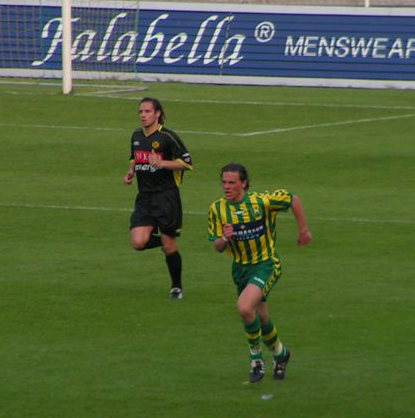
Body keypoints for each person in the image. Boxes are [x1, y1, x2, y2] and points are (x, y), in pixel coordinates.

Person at [207, 163, 312, 382]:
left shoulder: (261, 202)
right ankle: (281, 354)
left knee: (245, 307)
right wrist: (225, 238)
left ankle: (256, 359)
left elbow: (293, 199)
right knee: (260, 317)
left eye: (232, 183)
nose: (227, 187)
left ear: (244, 183)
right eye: (224, 182)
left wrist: (303, 230)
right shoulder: (217, 209)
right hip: (240, 269)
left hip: (266, 264)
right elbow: (217, 247)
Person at [124, 97, 193, 299]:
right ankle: (164, 241)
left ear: (158, 114)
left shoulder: (168, 137)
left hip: (166, 196)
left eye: (147, 111)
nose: (143, 115)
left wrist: (162, 163)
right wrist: (131, 171)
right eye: (141, 112)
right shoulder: (136, 136)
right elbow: (134, 157)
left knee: (170, 244)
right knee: (138, 242)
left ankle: (176, 287)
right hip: (145, 197)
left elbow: (187, 163)